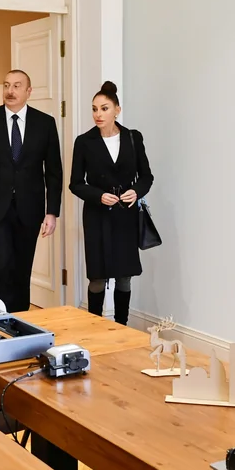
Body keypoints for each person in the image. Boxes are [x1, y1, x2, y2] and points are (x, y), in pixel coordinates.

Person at [0, 70, 63, 313]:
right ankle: (1, 317)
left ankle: (20, 318)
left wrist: (52, 212)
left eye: (17, 86)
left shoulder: (45, 123)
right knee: (2, 263)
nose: (10, 91)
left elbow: (53, 172)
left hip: (30, 209)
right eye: (7, 85)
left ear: (28, 91)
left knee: (22, 266)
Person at [69, 81, 153, 324]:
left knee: (125, 276)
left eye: (104, 108)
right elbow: (75, 183)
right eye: (94, 109)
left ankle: (121, 326)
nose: (98, 114)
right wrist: (98, 195)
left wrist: (135, 191)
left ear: (117, 110)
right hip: (97, 216)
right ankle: (94, 326)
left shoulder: (133, 138)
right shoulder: (84, 142)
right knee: (97, 277)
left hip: (125, 215)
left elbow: (146, 176)